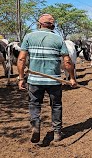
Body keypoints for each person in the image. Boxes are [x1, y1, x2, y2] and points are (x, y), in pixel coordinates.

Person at [17, 13, 77, 143]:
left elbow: (21, 59)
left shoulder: (29, 37)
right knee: (56, 105)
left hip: (34, 80)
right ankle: (57, 133)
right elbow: (67, 62)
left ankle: (36, 126)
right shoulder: (58, 39)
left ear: (39, 24)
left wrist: (21, 78)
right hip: (55, 80)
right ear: (52, 26)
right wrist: (72, 78)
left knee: (34, 104)